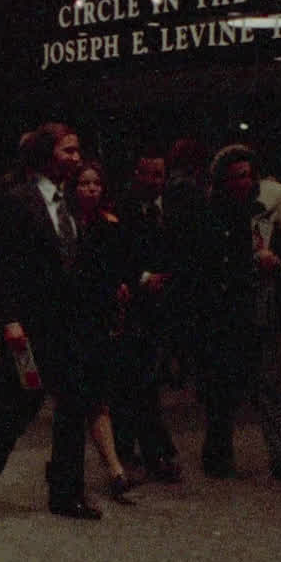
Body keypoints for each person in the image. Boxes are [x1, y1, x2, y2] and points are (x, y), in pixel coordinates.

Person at [0, 122, 104, 519]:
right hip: (31, 325)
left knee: (72, 405)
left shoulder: (70, 203)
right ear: (45, 154)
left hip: (69, 326)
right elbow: (5, 266)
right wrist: (10, 320)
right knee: (18, 403)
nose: (75, 158)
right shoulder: (17, 201)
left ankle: (67, 491)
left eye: (77, 151)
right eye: (68, 151)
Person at [191, 144, 281, 482]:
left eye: (245, 176)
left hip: (256, 303)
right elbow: (213, 260)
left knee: (266, 379)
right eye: (234, 177)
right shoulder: (216, 212)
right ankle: (225, 453)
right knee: (229, 385)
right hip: (228, 308)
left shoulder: (253, 206)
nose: (241, 182)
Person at [63, 159, 143, 502]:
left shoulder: (109, 225)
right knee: (84, 400)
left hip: (98, 320)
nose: (92, 189)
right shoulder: (66, 226)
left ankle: (114, 470)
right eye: (85, 184)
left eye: (96, 183)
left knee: (95, 398)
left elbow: (120, 267)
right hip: (70, 319)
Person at [112, 152, 182, 482]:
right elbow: (120, 253)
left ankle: (136, 447)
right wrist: (142, 278)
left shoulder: (166, 208)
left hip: (161, 302)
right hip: (135, 303)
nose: (156, 181)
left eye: (160, 175)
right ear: (137, 173)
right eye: (150, 174)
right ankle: (156, 451)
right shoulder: (126, 208)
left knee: (142, 380)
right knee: (140, 381)